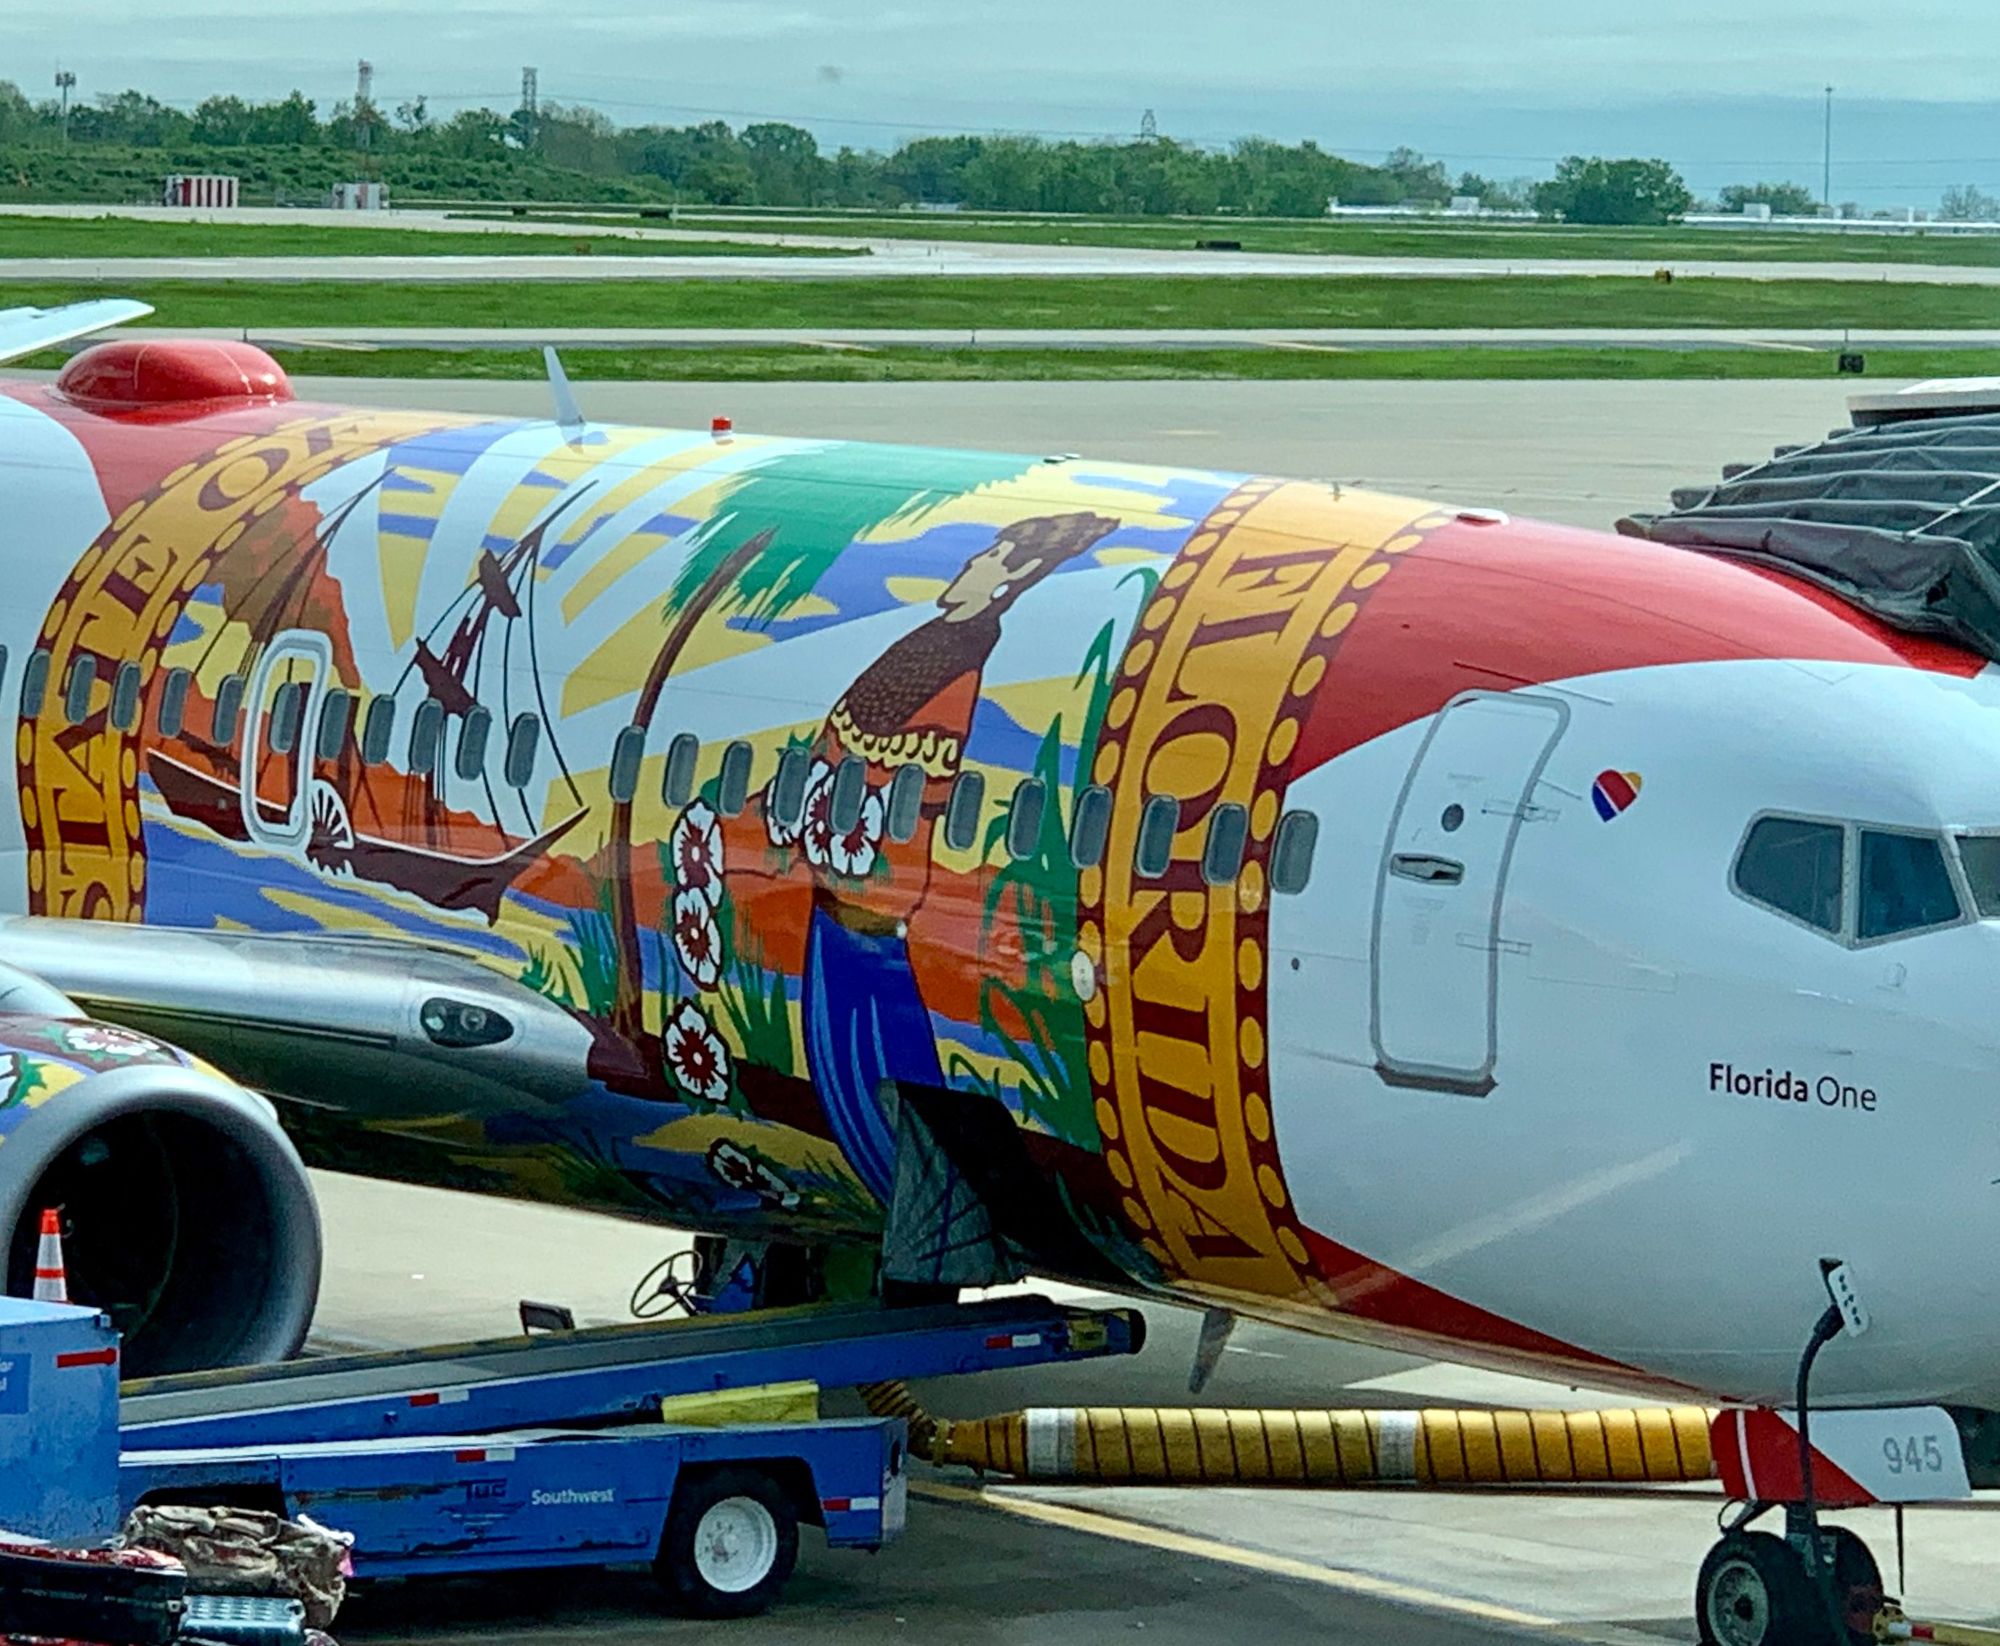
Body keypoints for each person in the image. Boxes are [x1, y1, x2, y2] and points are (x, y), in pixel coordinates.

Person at [790, 512, 1120, 1199]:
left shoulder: (951, 663)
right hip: (844, 898)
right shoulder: (931, 646)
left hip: (866, 910)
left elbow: (909, 789)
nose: (968, 568)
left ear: (1008, 580)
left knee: (868, 1063)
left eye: (985, 561)